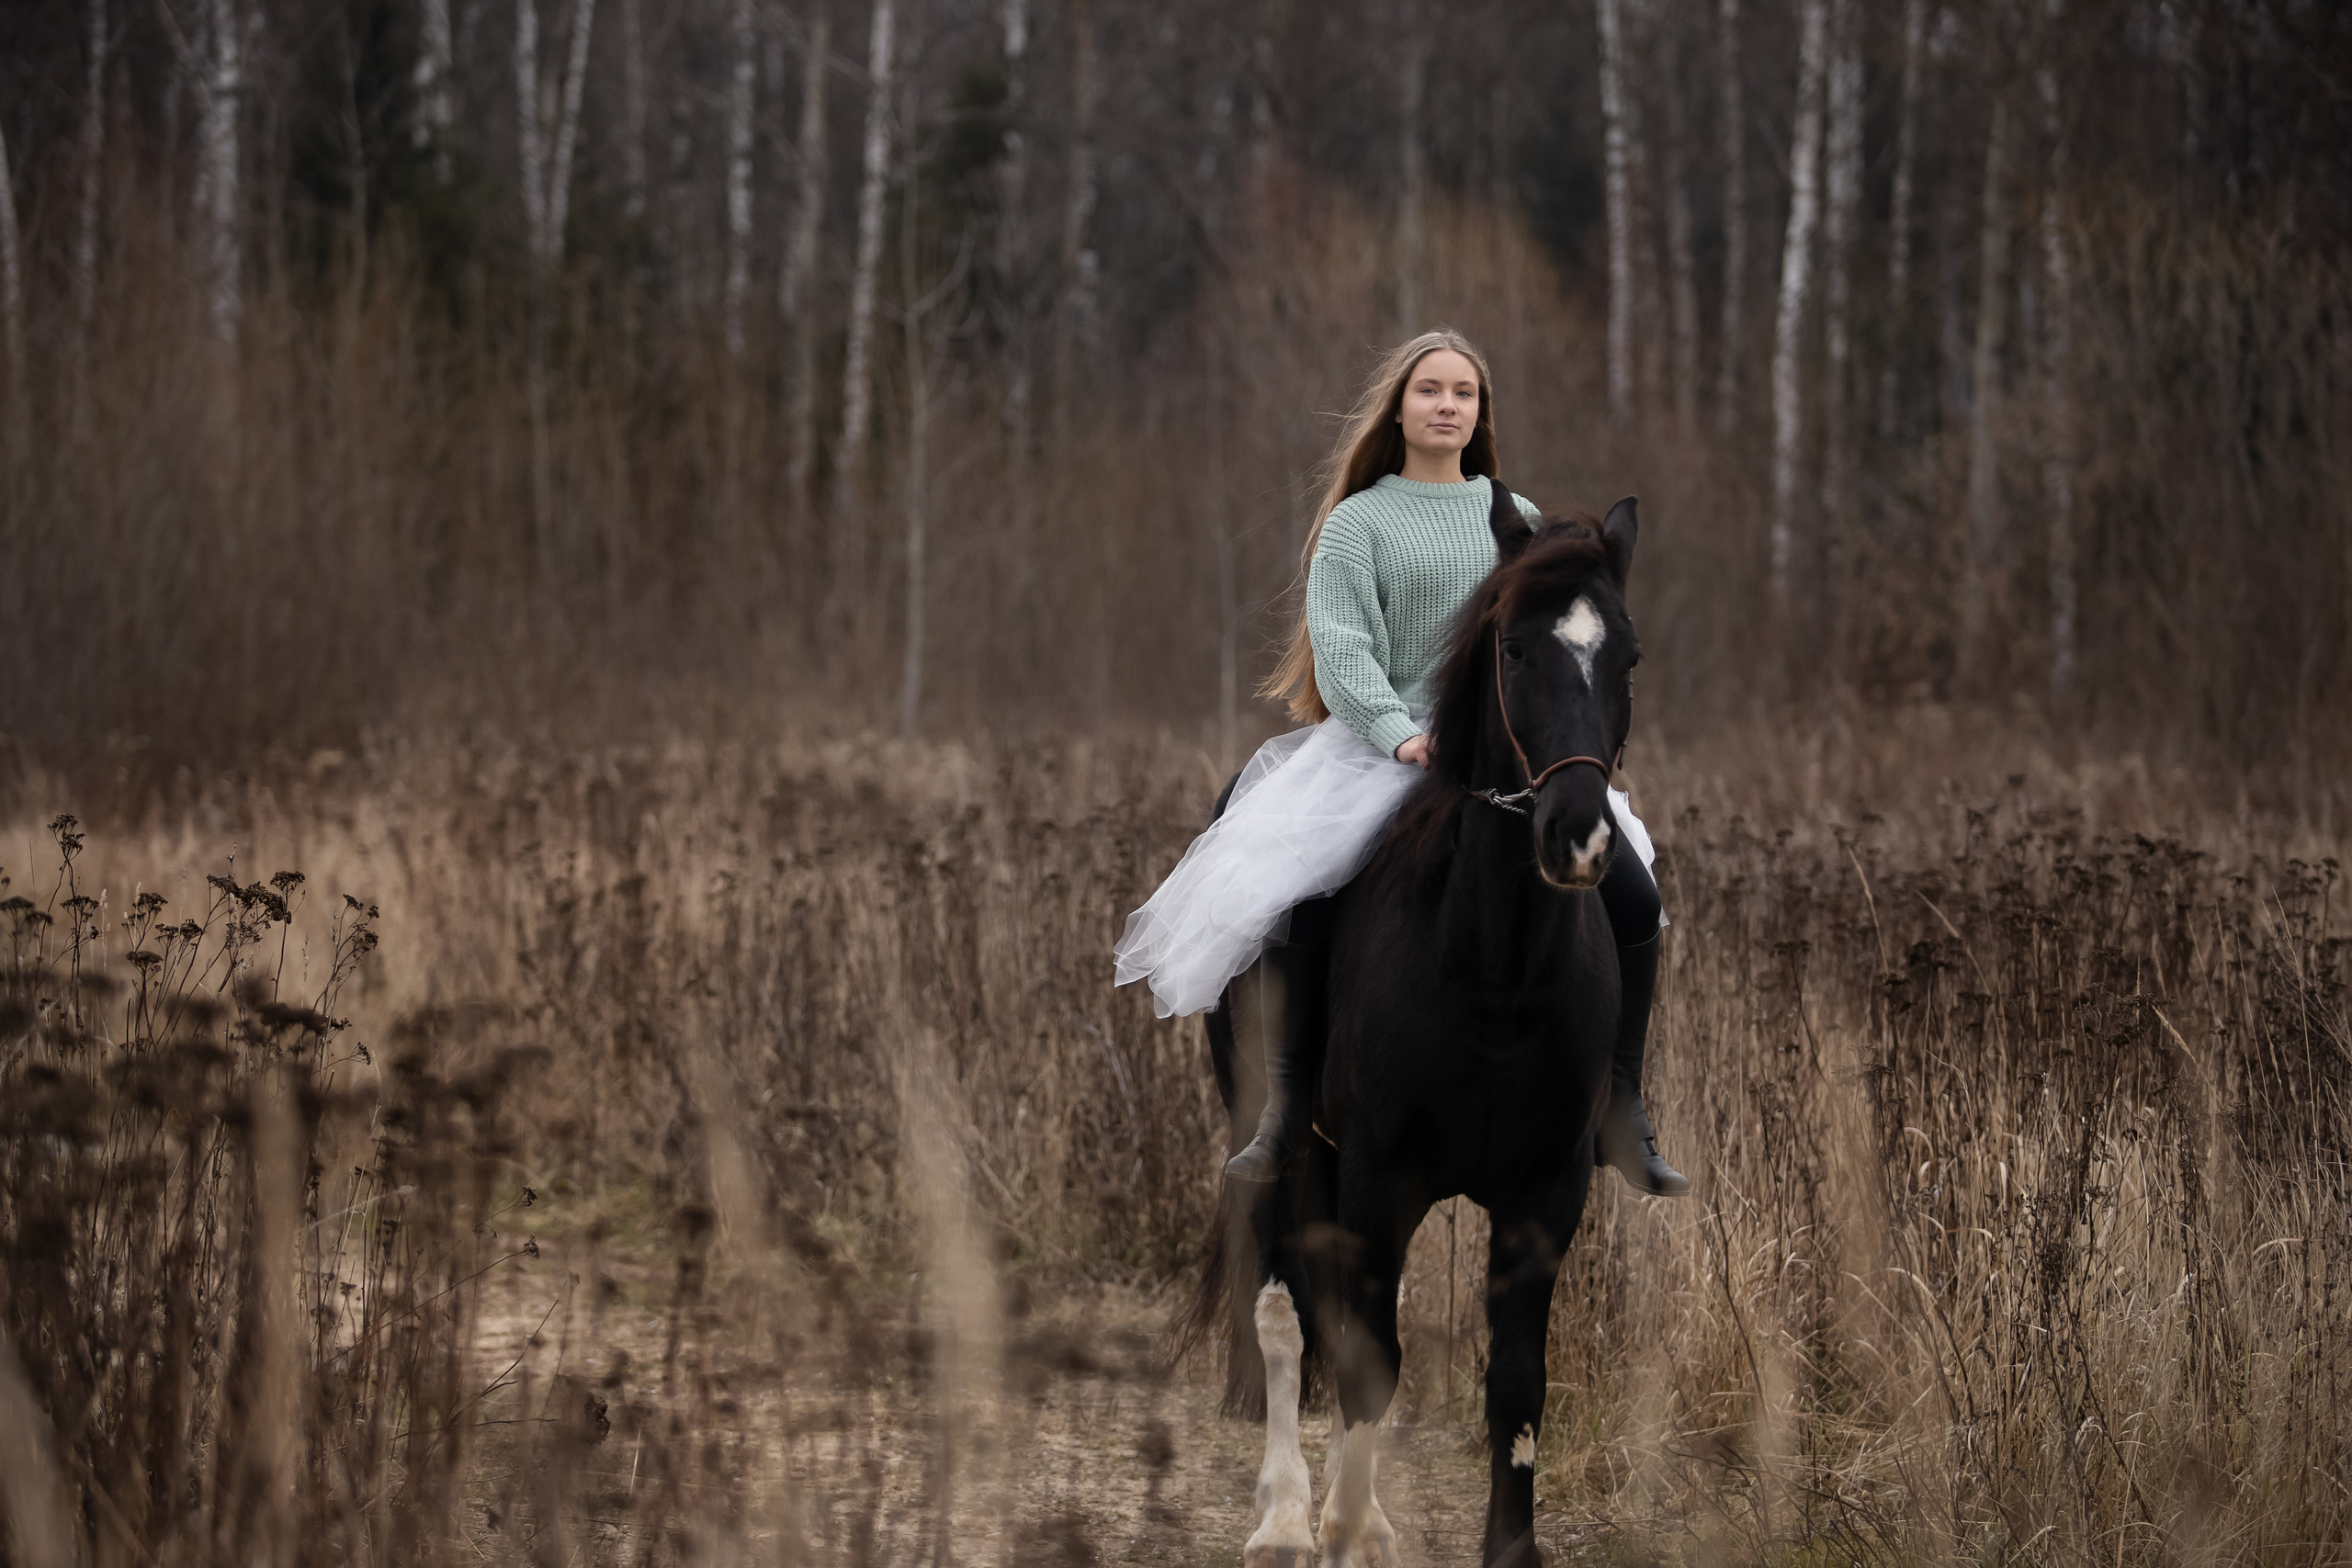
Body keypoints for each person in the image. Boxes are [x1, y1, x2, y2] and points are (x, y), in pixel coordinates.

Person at [1113, 330, 1689, 1198]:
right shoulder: (1358, 523)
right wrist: (1398, 732)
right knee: (1299, 903)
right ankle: (1286, 1108)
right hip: (1386, 748)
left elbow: (1561, 646)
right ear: (1401, 407)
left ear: (1480, 414)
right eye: (1430, 390)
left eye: (1465, 392)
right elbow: (1342, 651)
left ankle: (1620, 1104)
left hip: (1507, 755)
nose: (1448, 405)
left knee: (1635, 896)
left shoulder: (1517, 520)